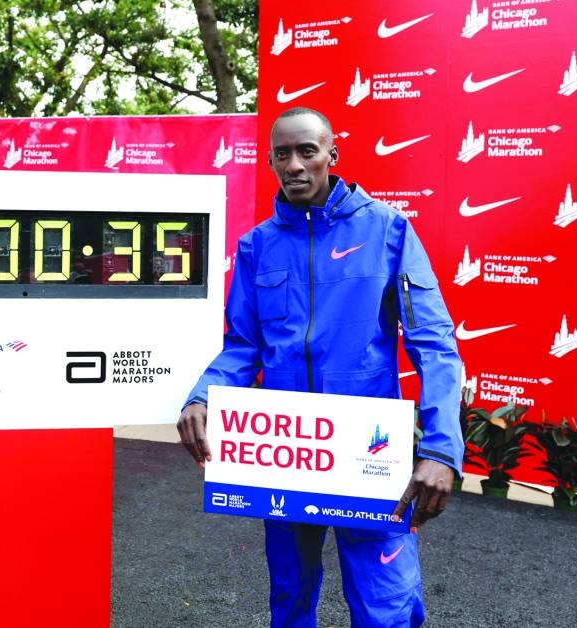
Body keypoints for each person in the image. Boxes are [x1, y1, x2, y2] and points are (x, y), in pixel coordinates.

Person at [177, 107, 463, 627]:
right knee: (289, 603)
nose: (295, 165)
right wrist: (202, 396)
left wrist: (443, 448)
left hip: (369, 453)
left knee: (386, 610)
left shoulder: (388, 231)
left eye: (308, 151)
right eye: (282, 154)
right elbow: (243, 346)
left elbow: (435, 345)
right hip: (285, 452)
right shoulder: (257, 246)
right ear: (269, 161)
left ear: (332, 154)